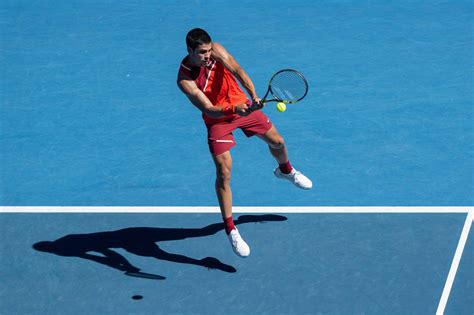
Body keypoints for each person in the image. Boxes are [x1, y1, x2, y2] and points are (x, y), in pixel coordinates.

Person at [177, 28, 312, 258]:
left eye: (209, 51)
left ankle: (285, 170)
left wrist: (254, 95)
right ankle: (230, 229)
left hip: (242, 105)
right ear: (190, 51)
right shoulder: (185, 79)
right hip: (218, 119)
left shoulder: (216, 51)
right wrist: (232, 109)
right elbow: (208, 108)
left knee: (278, 142)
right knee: (224, 172)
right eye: (202, 53)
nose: (208, 56)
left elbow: (238, 70)